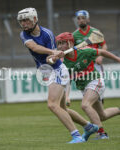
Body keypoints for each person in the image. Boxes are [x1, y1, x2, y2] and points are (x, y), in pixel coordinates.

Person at [17, 7, 98, 143]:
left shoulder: (47, 34)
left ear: (35, 19)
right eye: (21, 21)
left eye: (26, 20)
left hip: (57, 71)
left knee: (52, 105)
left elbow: (52, 60)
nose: (24, 23)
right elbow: (34, 48)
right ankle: (89, 126)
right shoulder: (24, 35)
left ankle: (76, 136)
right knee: (62, 108)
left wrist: (53, 56)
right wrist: (52, 52)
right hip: (47, 72)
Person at [47, 32, 120, 141]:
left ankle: (102, 134)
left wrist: (118, 60)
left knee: (85, 105)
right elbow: (67, 80)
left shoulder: (85, 51)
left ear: (71, 43)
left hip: (95, 81)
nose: (60, 46)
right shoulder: (63, 63)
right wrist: (67, 96)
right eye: (59, 44)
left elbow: (102, 52)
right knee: (102, 116)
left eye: (63, 43)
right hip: (84, 88)